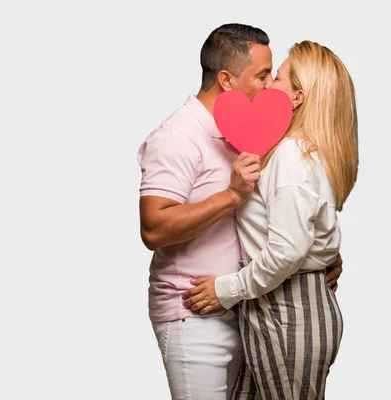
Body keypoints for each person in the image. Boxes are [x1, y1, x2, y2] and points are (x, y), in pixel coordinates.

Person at [137, 24, 343, 399]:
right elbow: (153, 229)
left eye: (273, 75)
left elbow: (285, 213)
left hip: (247, 309)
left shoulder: (255, 134)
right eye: (263, 76)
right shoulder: (177, 136)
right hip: (194, 313)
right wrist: (231, 196)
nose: (269, 87)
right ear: (227, 79)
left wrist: (320, 252)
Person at [183, 40, 359, 399]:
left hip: (288, 312)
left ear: (297, 97)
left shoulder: (292, 156)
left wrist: (224, 290)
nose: (266, 86)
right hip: (275, 307)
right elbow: (304, 233)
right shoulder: (294, 150)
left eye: (276, 78)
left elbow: (287, 251)